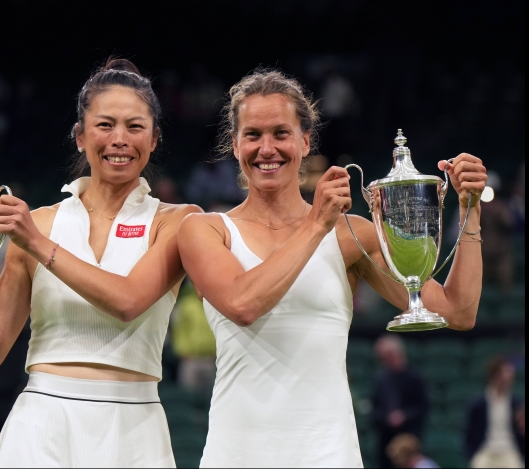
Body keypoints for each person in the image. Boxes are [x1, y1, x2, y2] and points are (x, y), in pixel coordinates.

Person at [177, 68, 487, 467]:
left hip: (330, 454)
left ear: (305, 141)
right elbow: (243, 304)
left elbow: (457, 312)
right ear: (235, 145)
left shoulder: (350, 237)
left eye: (281, 133)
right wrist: (315, 225)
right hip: (235, 455)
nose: (266, 148)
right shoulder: (205, 230)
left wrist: (471, 210)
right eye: (252, 135)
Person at [0, 58, 200, 468]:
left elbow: (129, 301)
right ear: (80, 137)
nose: (120, 139)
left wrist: (36, 243)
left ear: (154, 139)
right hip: (40, 427)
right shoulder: (42, 221)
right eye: (104, 125)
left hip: (135, 430)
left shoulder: (178, 220)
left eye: (135, 126)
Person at [372, 335, 429, 468]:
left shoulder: (415, 377)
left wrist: (404, 416)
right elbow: (375, 407)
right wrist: (386, 418)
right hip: (386, 438)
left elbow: (423, 406)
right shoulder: (381, 379)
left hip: (410, 437)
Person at [465, 356, 525, 468]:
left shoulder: (516, 403)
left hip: (510, 451)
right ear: (494, 376)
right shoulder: (478, 404)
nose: (508, 378)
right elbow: (469, 433)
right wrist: (472, 454)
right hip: (485, 451)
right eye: (505, 373)